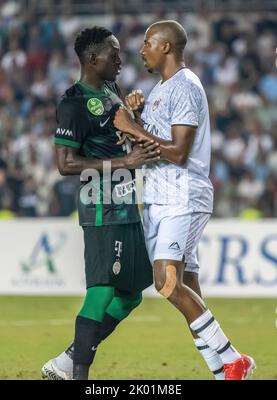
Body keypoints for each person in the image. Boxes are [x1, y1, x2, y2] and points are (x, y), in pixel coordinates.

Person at [113, 20, 256, 380]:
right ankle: (223, 372)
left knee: (165, 280)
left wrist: (133, 127)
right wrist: (136, 119)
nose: (141, 48)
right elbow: (152, 144)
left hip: (183, 193)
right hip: (160, 195)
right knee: (187, 286)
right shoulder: (160, 89)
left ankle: (232, 357)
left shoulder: (187, 87)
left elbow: (178, 152)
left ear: (166, 47)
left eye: (148, 42)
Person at [41, 26, 160, 380]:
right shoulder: (73, 102)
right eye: (115, 53)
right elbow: (65, 164)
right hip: (99, 205)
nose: (122, 61)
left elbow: (121, 138)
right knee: (102, 291)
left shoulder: (111, 89)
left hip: (126, 202)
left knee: (133, 293)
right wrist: (126, 163)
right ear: (93, 59)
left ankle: (65, 363)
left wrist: (135, 114)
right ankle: (78, 376)